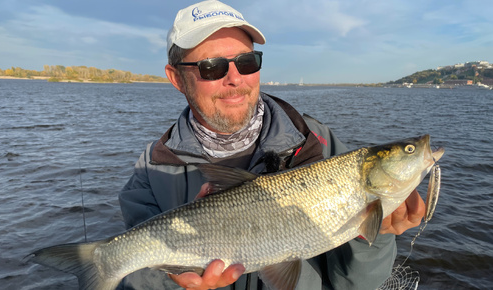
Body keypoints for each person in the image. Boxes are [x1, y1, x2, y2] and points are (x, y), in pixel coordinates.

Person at [118, 1, 426, 289]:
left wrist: (377, 232)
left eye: (246, 62)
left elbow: (357, 284)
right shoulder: (151, 173)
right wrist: (175, 283)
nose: (235, 78)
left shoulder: (315, 143)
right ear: (176, 78)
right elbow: (133, 273)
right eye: (212, 67)